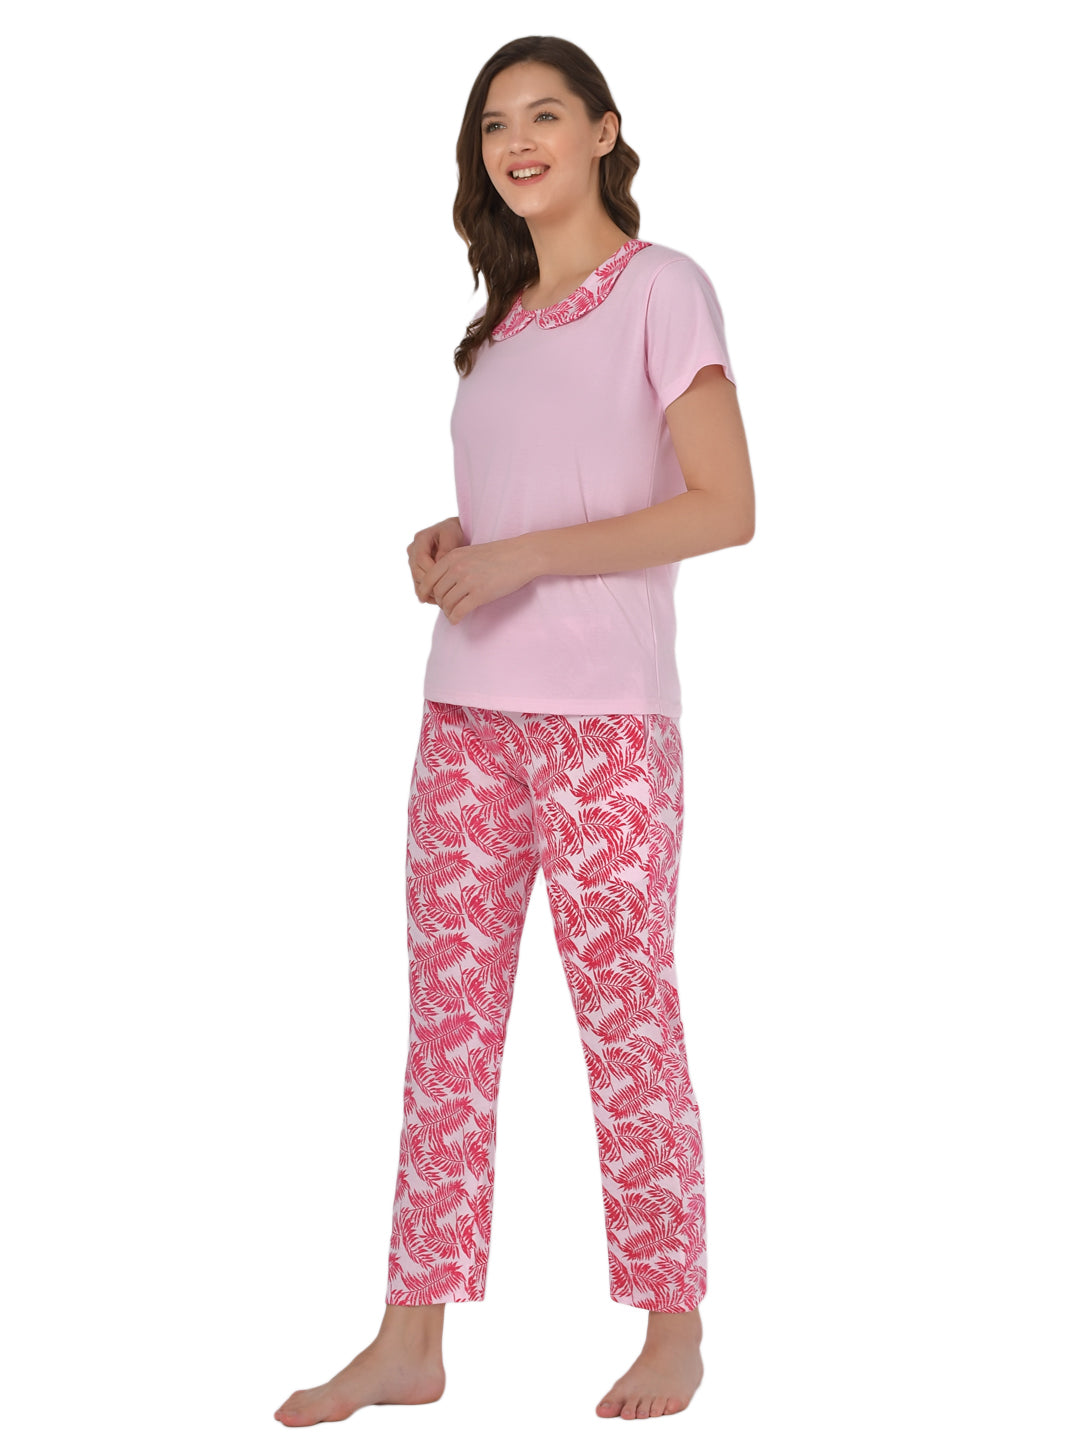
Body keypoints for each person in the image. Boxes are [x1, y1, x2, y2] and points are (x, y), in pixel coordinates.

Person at [274, 33, 754, 1428]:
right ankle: (409, 1340)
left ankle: (674, 1327)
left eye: (547, 114)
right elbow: (542, 495)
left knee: (627, 1023)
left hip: (605, 731)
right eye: (495, 124)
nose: (519, 140)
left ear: (605, 131)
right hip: (464, 718)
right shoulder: (500, 328)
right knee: (447, 1031)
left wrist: (526, 555)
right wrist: (457, 540)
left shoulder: (664, 288)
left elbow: (725, 507)